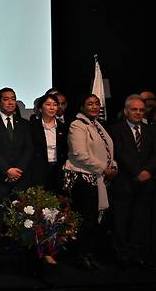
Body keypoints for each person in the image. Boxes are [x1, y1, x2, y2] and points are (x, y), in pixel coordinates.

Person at [63, 93, 116, 271]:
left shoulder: (98, 125)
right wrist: (103, 168)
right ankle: (81, 255)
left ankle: (90, 254)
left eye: (97, 104)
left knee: (95, 220)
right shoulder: (77, 125)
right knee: (86, 220)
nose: (95, 107)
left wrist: (113, 167)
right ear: (82, 107)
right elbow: (79, 154)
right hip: (83, 179)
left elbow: (108, 150)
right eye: (90, 104)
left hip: (99, 178)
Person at [0, 87, 33, 259]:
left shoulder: (24, 124)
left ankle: (16, 256)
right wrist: (7, 169)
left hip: (20, 180)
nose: (11, 102)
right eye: (6, 99)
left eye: (13, 98)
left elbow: (29, 149)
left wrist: (17, 170)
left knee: (21, 220)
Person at [110, 95, 156, 269]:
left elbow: (154, 154)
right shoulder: (115, 130)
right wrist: (136, 171)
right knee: (121, 220)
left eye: (141, 110)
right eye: (134, 109)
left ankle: (138, 254)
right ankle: (122, 255)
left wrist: (148, 171)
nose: (138, 112)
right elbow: (119, 154)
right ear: (126, 111)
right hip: (124, 182)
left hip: (146, 183)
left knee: (141, 220)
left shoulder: (151, 130)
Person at [29, 93, 69, 195]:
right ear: (40, 109)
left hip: (58, 170)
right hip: (38, 170)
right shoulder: (31, 127)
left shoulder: (63, 128)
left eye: (55, 104)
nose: (52, 107)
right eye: (48, 104)